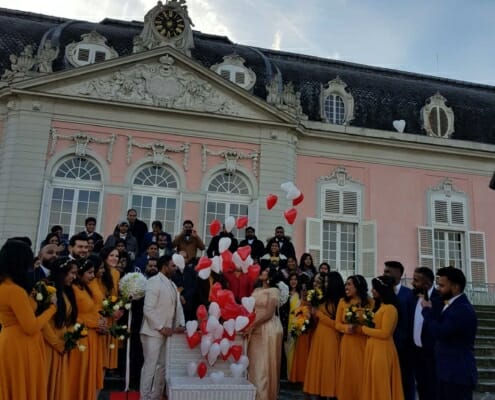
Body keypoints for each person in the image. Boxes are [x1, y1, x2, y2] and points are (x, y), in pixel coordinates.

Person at [0, 239, 57, 400]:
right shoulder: (14, 291)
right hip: (20, 345)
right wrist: (52, 308)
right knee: (22, 388)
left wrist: (34, 297)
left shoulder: (5, 285)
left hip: (10, 340)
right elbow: (31, 326)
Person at [421, 267, 478, 400]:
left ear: (455, 287)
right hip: (447, 371)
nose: (438, 289)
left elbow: (440, 332)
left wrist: (426, 311)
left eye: (442, 285)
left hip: (457, 374)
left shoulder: (461, 309)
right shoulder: (451, 304)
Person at [140, 255, 185, 400]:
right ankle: (145, 397)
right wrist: (161, 327)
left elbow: (177, 308)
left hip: (168, 332)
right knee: (150, 367)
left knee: (162, 367)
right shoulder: (154, 282)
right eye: (172, 266)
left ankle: (156, 396)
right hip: (152, 332)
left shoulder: (172, 284)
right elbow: (148, 309)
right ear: (164, 266)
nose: (175, 268)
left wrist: (180, 325)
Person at [68, 257, 107, 400]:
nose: (92, 275)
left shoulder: (84, 288)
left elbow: (91, 310)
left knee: (88, 374)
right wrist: (94, 323)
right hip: (81, 336)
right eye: (89, 272)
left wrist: (100, 321)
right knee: (78, 374)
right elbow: (72, 315)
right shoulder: (73, 289)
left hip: (92, 336)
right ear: (79, 273)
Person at [361, 275, 404, 400]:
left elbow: (385, 333)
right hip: (374, 349)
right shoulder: (380, 306)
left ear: (382, 289)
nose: (372, 290)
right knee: (373, 380)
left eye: (374, 288)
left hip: (382, 351)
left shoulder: (390, 309)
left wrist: (364, 329)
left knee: (380, 382)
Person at [304, 271, 345, 399]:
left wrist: (319, 315)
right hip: (319, 336)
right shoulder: (322, 298)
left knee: (329, 368)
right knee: (318, 368)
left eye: (327, 282)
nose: (325, 284)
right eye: (324, 281)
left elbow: (337, 325)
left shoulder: (340, 301)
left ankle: (331, 394)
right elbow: (316, 317)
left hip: (331, 337)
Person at [42, 257, 78, 400]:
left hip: (62, 345)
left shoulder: (67, 291)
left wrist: (70, 339)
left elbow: (69, 320)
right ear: (62, 272)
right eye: (72, 273)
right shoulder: (46, 289)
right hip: (48, 344)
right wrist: (57, 344)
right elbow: (43, 323)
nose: (74, 277)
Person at [247, 266, 284, 400]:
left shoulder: (273, 291)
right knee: (254, 362)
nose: (262, 272)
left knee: (264, 364)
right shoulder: (256, 290)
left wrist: (253, 325)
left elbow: (269, 313)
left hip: (267, 328)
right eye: (263, 270)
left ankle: (264, 396)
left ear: (271, 276)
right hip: (254, 328)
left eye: (266, 271)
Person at [335, 275, 373, 400]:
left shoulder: (370, 302)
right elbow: (337, 324)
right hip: (347, 343)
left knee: (362, 374)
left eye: (349, 284)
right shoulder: (342, 301)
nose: (346, 287)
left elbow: (374, 324)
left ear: (358, 286)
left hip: (364, 343)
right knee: (347, 375)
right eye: (346, 284)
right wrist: (347, 328)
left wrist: (360, 329)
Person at [383, 260, 414, 400]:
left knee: (405, 381)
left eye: (388, 271)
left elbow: (412, 321)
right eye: (385, 271)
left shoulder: (409, 295)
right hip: (385, 345)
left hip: (404, 347)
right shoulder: (382, 294)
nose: (385, 274)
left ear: (399, 274)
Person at [411, 266, 443, 400]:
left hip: (432, 354)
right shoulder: (413, 296)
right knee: (422, 388)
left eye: (416, 280)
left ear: (428, 283)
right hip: (416, 351)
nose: (412, 282)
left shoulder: (439, 299)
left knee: (432, 390)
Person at [97, 247, 122, 371]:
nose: (114, 258)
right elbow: (100, 295)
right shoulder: (100, 273)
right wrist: (110, 310)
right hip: (103, 315)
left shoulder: (117, 273)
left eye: (117, 256)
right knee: (100, 358)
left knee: (108, 360)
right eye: (111, 255)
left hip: (113, 317)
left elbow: (116, 295)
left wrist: (121, 307)